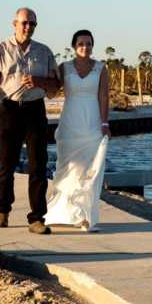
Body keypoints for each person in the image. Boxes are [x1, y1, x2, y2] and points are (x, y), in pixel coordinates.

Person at [0, 7, 59, 233]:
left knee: (38, 165)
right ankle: (2, 211)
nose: (28, 27)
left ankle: (37, 218)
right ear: (14, 23)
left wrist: (39, 81)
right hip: (10, 109)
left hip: (35, 110)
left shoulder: (44, 52)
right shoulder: (0, 49)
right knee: (6, 163)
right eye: (24, 23)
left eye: (32, 24)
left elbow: (55, 86)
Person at [44, 29, 110, 232]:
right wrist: (42, 79)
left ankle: (84, 216)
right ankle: (61, 213)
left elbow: (103, 96)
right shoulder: (65, 67)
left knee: (90, 170)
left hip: (92, 123)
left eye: (89, 43)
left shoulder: (101, 68)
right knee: (67, 168)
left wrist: (105, 123)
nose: (85, 47)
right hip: (70, 124)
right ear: (74, 46)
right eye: (81, 43)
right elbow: (53, 93)